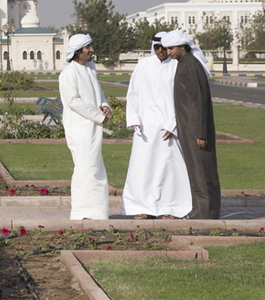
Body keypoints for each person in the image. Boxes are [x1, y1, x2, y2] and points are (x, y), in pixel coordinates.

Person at [120, 32, 192, 220]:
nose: (160, 51)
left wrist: (172, 124)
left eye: (164, 47)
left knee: (168, 169)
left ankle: (169, 208)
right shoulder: (144, 65)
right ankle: (142, 208)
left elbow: (182, 99)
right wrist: (134, 119)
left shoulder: (177, 66)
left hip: (168, 128)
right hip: (145, 127)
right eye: (156, 47)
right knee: (143, 168)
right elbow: (133, 93)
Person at [161, 29, 221, 219]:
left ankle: (206, 213)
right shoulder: (183, 63)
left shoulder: (191, 66)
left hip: (196, 130)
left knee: (203, 171)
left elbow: (200, 101)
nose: (168, 52)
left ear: (182, 47)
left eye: (171, 48)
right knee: (196, 171)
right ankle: (199, 209)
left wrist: (201, 133)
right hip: (189, 128)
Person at [58, 33, 112, 220]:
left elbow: (99, 94)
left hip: (93, 128)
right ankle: (81, 212)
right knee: (85, 168)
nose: (91, 50)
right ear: (78, 51)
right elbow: (73, 102)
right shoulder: (68, 73)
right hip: (79, 129)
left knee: (95, 168)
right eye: (88, 47)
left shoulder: (90, 69)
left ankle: (98, 212)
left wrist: (105, 106)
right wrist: (98, 116)